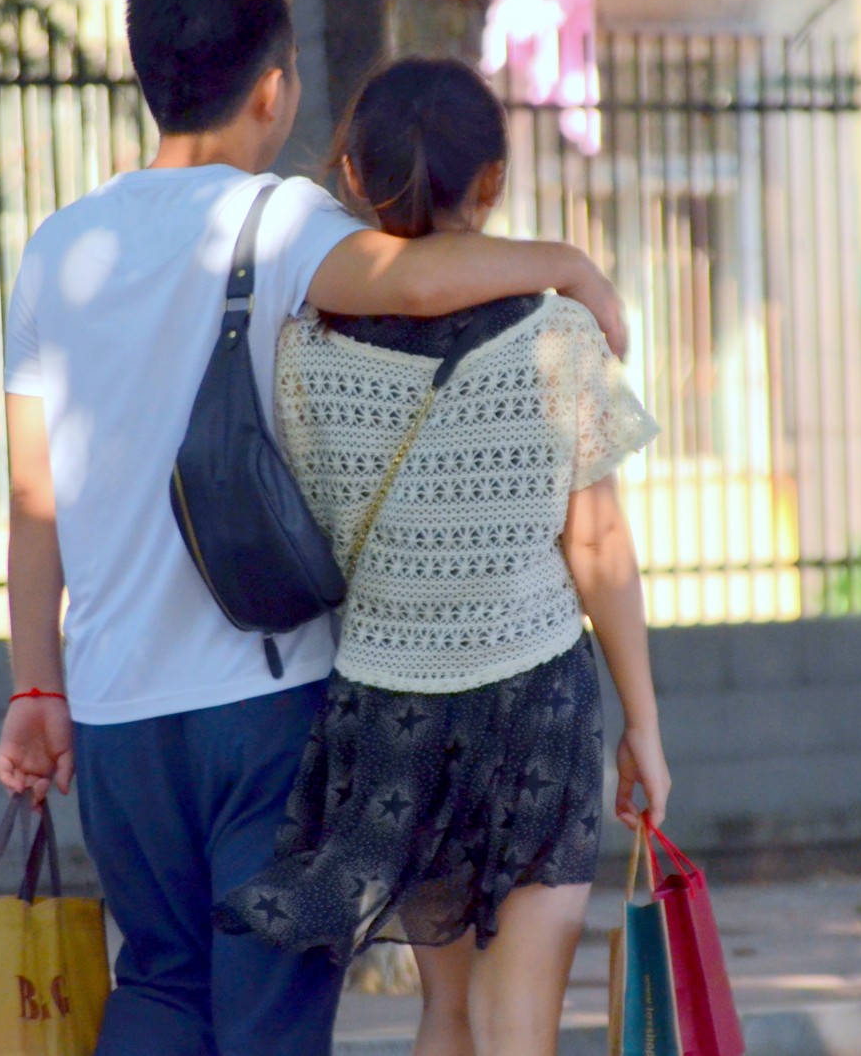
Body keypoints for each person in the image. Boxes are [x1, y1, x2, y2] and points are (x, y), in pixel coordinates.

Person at [0, 0, 629, 1056]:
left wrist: (31, 684)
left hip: (112, 707)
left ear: (147, 70)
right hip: (263, 698)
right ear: (275, 86)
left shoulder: (57, 250)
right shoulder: (275, 222)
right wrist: (570, 264)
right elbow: (423, 275)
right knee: (270, 1015)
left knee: (158, 988)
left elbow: (33, 495)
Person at [215, 58, 669, 1056]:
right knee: (521, 1027)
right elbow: (596, 545)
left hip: (392, 715)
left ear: (351, 174)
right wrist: (643, 723)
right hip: (536, 706)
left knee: (449, 1011)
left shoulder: (306, 349)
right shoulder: (559, 333)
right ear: (494, 182)